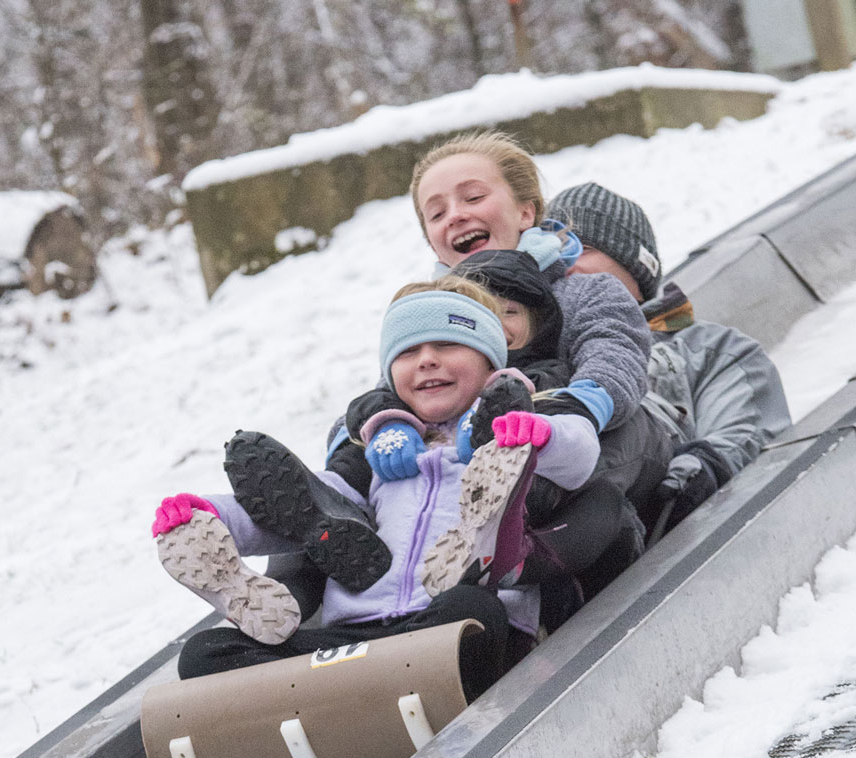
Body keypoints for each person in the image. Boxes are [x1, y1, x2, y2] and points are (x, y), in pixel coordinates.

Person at [152, 285, 602, 698]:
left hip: (451, 627)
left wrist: (536, 434)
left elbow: (581, 454)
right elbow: (309, 504)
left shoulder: (514, 433)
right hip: (358, 638)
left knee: (470, 606)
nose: (426, 359)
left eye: (447, 345)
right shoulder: (378, 452)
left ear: (490, 362)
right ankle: (321, 697)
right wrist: (210, 516)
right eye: (408, 352)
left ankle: (333, 695)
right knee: (206, 652)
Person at [546, 182, 792, 535]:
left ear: (636, 268)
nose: (562, 265)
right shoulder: (526, 354)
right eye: (550, 254)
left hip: (658, 516)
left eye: (580, 249)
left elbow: (746, 428)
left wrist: (702, 468)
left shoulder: (711, 348)